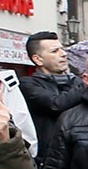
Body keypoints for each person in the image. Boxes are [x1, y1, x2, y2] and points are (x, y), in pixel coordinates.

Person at [19, 31, 83, 161]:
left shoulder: (76, 82)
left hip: (78, 155)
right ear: (38, 59)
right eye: (55, 51)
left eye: (62, 49)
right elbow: (57, 104)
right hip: (48, 159)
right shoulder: (28, 84)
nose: (63, 54)